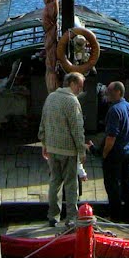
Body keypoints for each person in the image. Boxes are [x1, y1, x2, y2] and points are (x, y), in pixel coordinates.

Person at [38, 71, 88, 227]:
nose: (81, 89)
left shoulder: (50, 97)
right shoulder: (72, 102)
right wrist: (82, 151)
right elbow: (77, 130)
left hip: (52, 148)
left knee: (54, 182)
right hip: (68, 151)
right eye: (79, 86)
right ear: (72, 84)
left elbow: (43, 122)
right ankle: (71, 218)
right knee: (71, 185)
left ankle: (53, 216)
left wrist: (44, 143)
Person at [98, 81, 129, 224]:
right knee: (127, 184)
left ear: (118, 92)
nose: (107, 94)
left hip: (116, 154)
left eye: (110, 91)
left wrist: (104, 153)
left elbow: (111, 137)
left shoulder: (114, 110)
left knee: (112, 186)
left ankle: (115, 216)